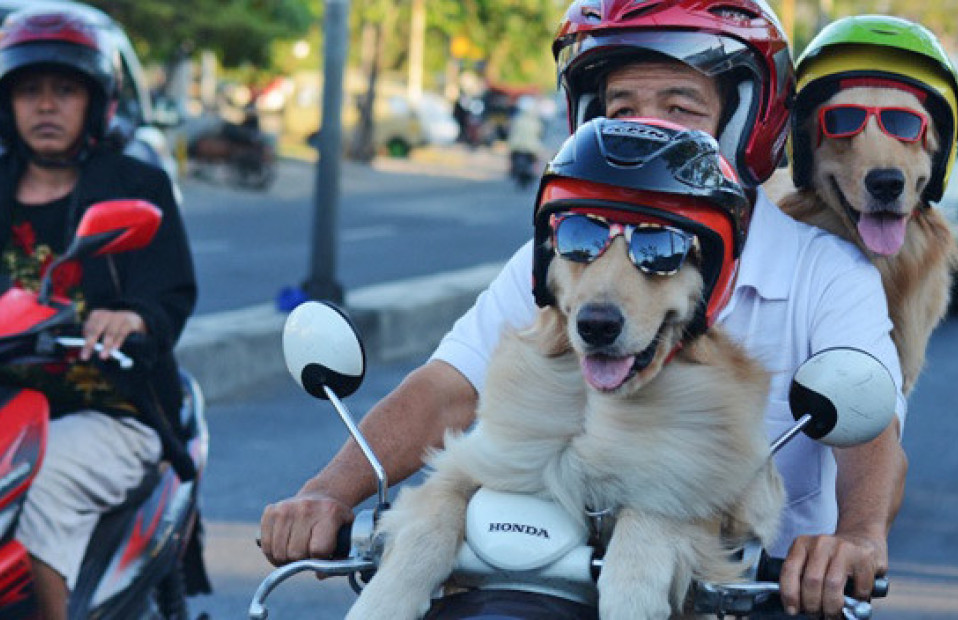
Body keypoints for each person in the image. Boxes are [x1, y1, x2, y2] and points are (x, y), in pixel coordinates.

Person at [261, 1, 908, 617]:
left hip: (748, 595)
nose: (647, 130)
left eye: (681, 108)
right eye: (623, 107)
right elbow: (447, 388)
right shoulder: (562, 251)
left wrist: (856, 535)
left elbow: (872, 434)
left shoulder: (825, 273)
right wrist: (328, 491)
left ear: (744, 123)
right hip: (526, 583)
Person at [0, 8, 197, 619]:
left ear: (97, 101)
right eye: (30, 91)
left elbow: (168, 291)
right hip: (11, 402)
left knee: (46, 485)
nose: (46, 106)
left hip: (110, 406)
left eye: (64, 90)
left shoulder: (134, 183)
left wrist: (131, 320)